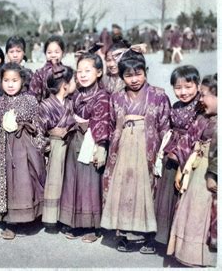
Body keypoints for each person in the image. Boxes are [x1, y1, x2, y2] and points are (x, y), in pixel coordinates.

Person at [101, 49, 171, 253]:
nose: (134, 79)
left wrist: (161, 153)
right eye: (128, 75)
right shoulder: (116, 97)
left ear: (146, 71)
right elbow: (113, 123)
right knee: (123, 188)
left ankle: (149, 236)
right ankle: (123, 234)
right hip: (123, 148)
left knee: (148, 190)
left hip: (148, 148)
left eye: (138, 73)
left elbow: (165, 126)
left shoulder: (158, 95)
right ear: (121, 76)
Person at [0, 63, 46, 240]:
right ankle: (11, 222)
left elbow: (39, 124)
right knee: (10, 185)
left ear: (23, 81)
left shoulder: (31, 100)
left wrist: (40, 148)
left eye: (14, 80)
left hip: (27, 149)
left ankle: (31, 217)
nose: (10, 84)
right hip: (4, 151)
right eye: (6, 80)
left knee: (27, 183)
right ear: (0, 82)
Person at [149, 66, 202, 251]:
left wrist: (182, 154)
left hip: (190, 153)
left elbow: (198, 133)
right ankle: (162, 238)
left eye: (188, 87)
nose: (183, 92)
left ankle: (183, 243)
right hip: (171, 153)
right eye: (178, 88)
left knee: (184, 197)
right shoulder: (176, 106)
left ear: (198, 85)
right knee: (166, 195)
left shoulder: (201, 107)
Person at [167, 74, 217, 267]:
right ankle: (187, 254)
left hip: (209, 172)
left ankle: (204, 256)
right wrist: (180, 163)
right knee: (192, 211)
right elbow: (189, 139)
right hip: (196, 169)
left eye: (204, 95)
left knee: (204, 216)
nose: (201, 99)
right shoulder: (204, 117)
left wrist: (214, 175)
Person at [59, 53, 110, 243]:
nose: (83, 75)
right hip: (75, 140)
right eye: (79, 71)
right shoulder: (77, 93)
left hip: (92, 140)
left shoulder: (102, 95)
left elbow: (103, 121)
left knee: (90, 182)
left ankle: (92, 226)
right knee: (74, 181)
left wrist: (101, 146)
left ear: (98, 72)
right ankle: (75, 222)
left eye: (88, 71)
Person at [38, 65, 76, 232]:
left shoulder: (71, 103)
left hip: (70, 146)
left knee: (68, 182)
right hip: (54, 147)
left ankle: (65, 217)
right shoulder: (45, 105)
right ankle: (52, 218)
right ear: (65, 85)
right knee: (54, 182)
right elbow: (39, 131)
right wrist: (46, 147)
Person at [29, 35, 66, 103]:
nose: (53, 55)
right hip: (45, 110)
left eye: (56, 52)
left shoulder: (67, 72)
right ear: (45, 53)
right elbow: (33, 96)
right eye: (49, 52)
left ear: (63, 53)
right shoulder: (39, 73)